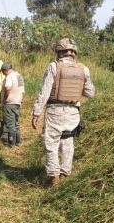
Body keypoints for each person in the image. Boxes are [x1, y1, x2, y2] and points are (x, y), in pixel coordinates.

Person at [32, 38, 94, 186]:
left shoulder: (54, 66)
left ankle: (54, 176)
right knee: (67, 142)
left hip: (55, 111)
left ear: (59, 52)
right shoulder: (83, 69)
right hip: (73, 112)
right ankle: (65, 173)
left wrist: (36, 112)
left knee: (51, 143)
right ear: (74, 52)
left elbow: (45, 91)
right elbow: (90, 92)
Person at [0, 62, 24, 147]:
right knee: (16, 123)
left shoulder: (9, 76)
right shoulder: (19, 76)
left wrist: (5, 100)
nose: (3, 74)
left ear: (5, 70)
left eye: (3, 72)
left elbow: (7, 88)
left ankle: (11, 144)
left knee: (10, 124)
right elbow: (22, 91)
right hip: (17, 102)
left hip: (9, 103)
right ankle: (17, 142)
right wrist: (21, 101)